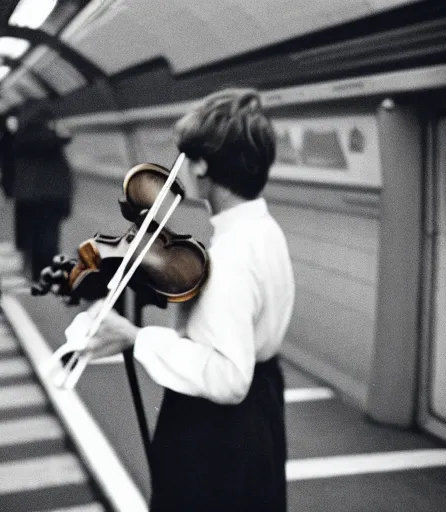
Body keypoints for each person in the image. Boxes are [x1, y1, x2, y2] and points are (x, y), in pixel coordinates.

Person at [65, 88, 295, 511]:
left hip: (217, 435)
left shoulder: (229, 260)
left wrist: (137, 338)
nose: (180, 168)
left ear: (203, 164)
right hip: (262, 412)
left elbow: (228, 377)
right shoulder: (265, 231)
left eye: (185, 156)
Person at [6, 105, 72, 280]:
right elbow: (63, 176)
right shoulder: (51, 141)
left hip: (28, 197)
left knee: (34, 236)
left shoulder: (19, 140)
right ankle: (47, 271)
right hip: (51, 197)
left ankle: (37, 272)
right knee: (49, 236)